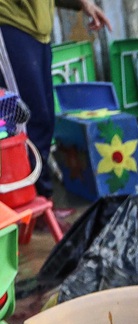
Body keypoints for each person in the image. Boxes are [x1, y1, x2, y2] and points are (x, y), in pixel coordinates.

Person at [0, 0, 111, 199]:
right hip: (10, 25)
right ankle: (34, 203)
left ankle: (42, 202)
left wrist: (83, 3)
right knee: (25, 124)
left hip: (37, 33)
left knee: (44, 120)